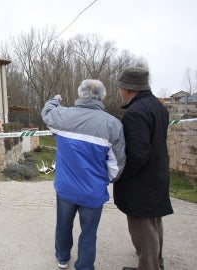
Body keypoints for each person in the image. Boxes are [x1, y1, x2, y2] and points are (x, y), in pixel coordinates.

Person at [41, 79, 126, 270]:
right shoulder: (113, 125)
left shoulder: (62, 116)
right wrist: (105, 180)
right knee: (89, 232)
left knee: (63, 224)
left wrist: (55, 100)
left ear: (80, 94)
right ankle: (84, 266)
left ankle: (62, 258)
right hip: (93, 191)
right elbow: (116, 164)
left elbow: (46, 113)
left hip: (65, 188)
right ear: (102, 97)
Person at [113, 67, 174, 270]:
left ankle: (149, 266)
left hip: (141, 182)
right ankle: (157, 262)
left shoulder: (135, 113)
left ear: (129, 89)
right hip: (156, 175)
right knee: (154, 223)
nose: (119, 91)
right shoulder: (158, 107)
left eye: (120, 87)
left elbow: (138, 154)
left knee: (143, 228)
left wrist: (121, 174)